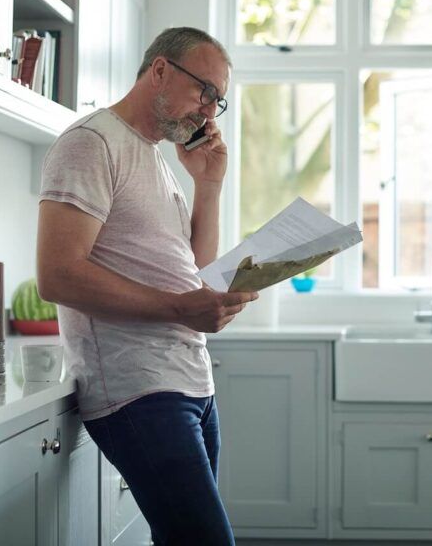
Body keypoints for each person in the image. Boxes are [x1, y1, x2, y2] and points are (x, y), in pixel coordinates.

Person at [36, 27, 258, 545]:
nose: (209, 112)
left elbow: (195, 269)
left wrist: (208, 184)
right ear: (159, 70)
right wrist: (182, 309)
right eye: (205, 91)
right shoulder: (90, 143)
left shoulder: (155, 156)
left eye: (217, 101)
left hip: (191, 382)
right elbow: (58, 273)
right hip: (137, 389)